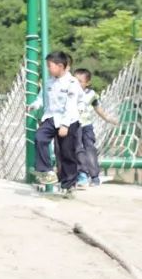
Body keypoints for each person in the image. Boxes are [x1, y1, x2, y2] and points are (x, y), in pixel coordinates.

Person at [27, 51, 83, 196]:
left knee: (66, 153)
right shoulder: (49, 81)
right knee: (40, 137)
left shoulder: (72, 83)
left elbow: (71, 105)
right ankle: (46, 170)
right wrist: (34, 105)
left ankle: (68, 184)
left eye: (49, 66)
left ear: (60, 66)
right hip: (51, 117)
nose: (48, 69)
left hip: (68, 120)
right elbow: (42, 97)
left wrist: (65, 125)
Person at [73, 68, 119, 188]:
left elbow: (98, 109)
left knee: (90, 149)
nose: (76, 83)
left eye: (80, 81)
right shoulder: (69, 92)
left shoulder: (91, 94)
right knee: (78, 149)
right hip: (74, 125)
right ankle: (82, 174)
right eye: (74, 80)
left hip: (86, 125)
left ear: (87, 83)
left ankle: (94, 176)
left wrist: (108, 118)